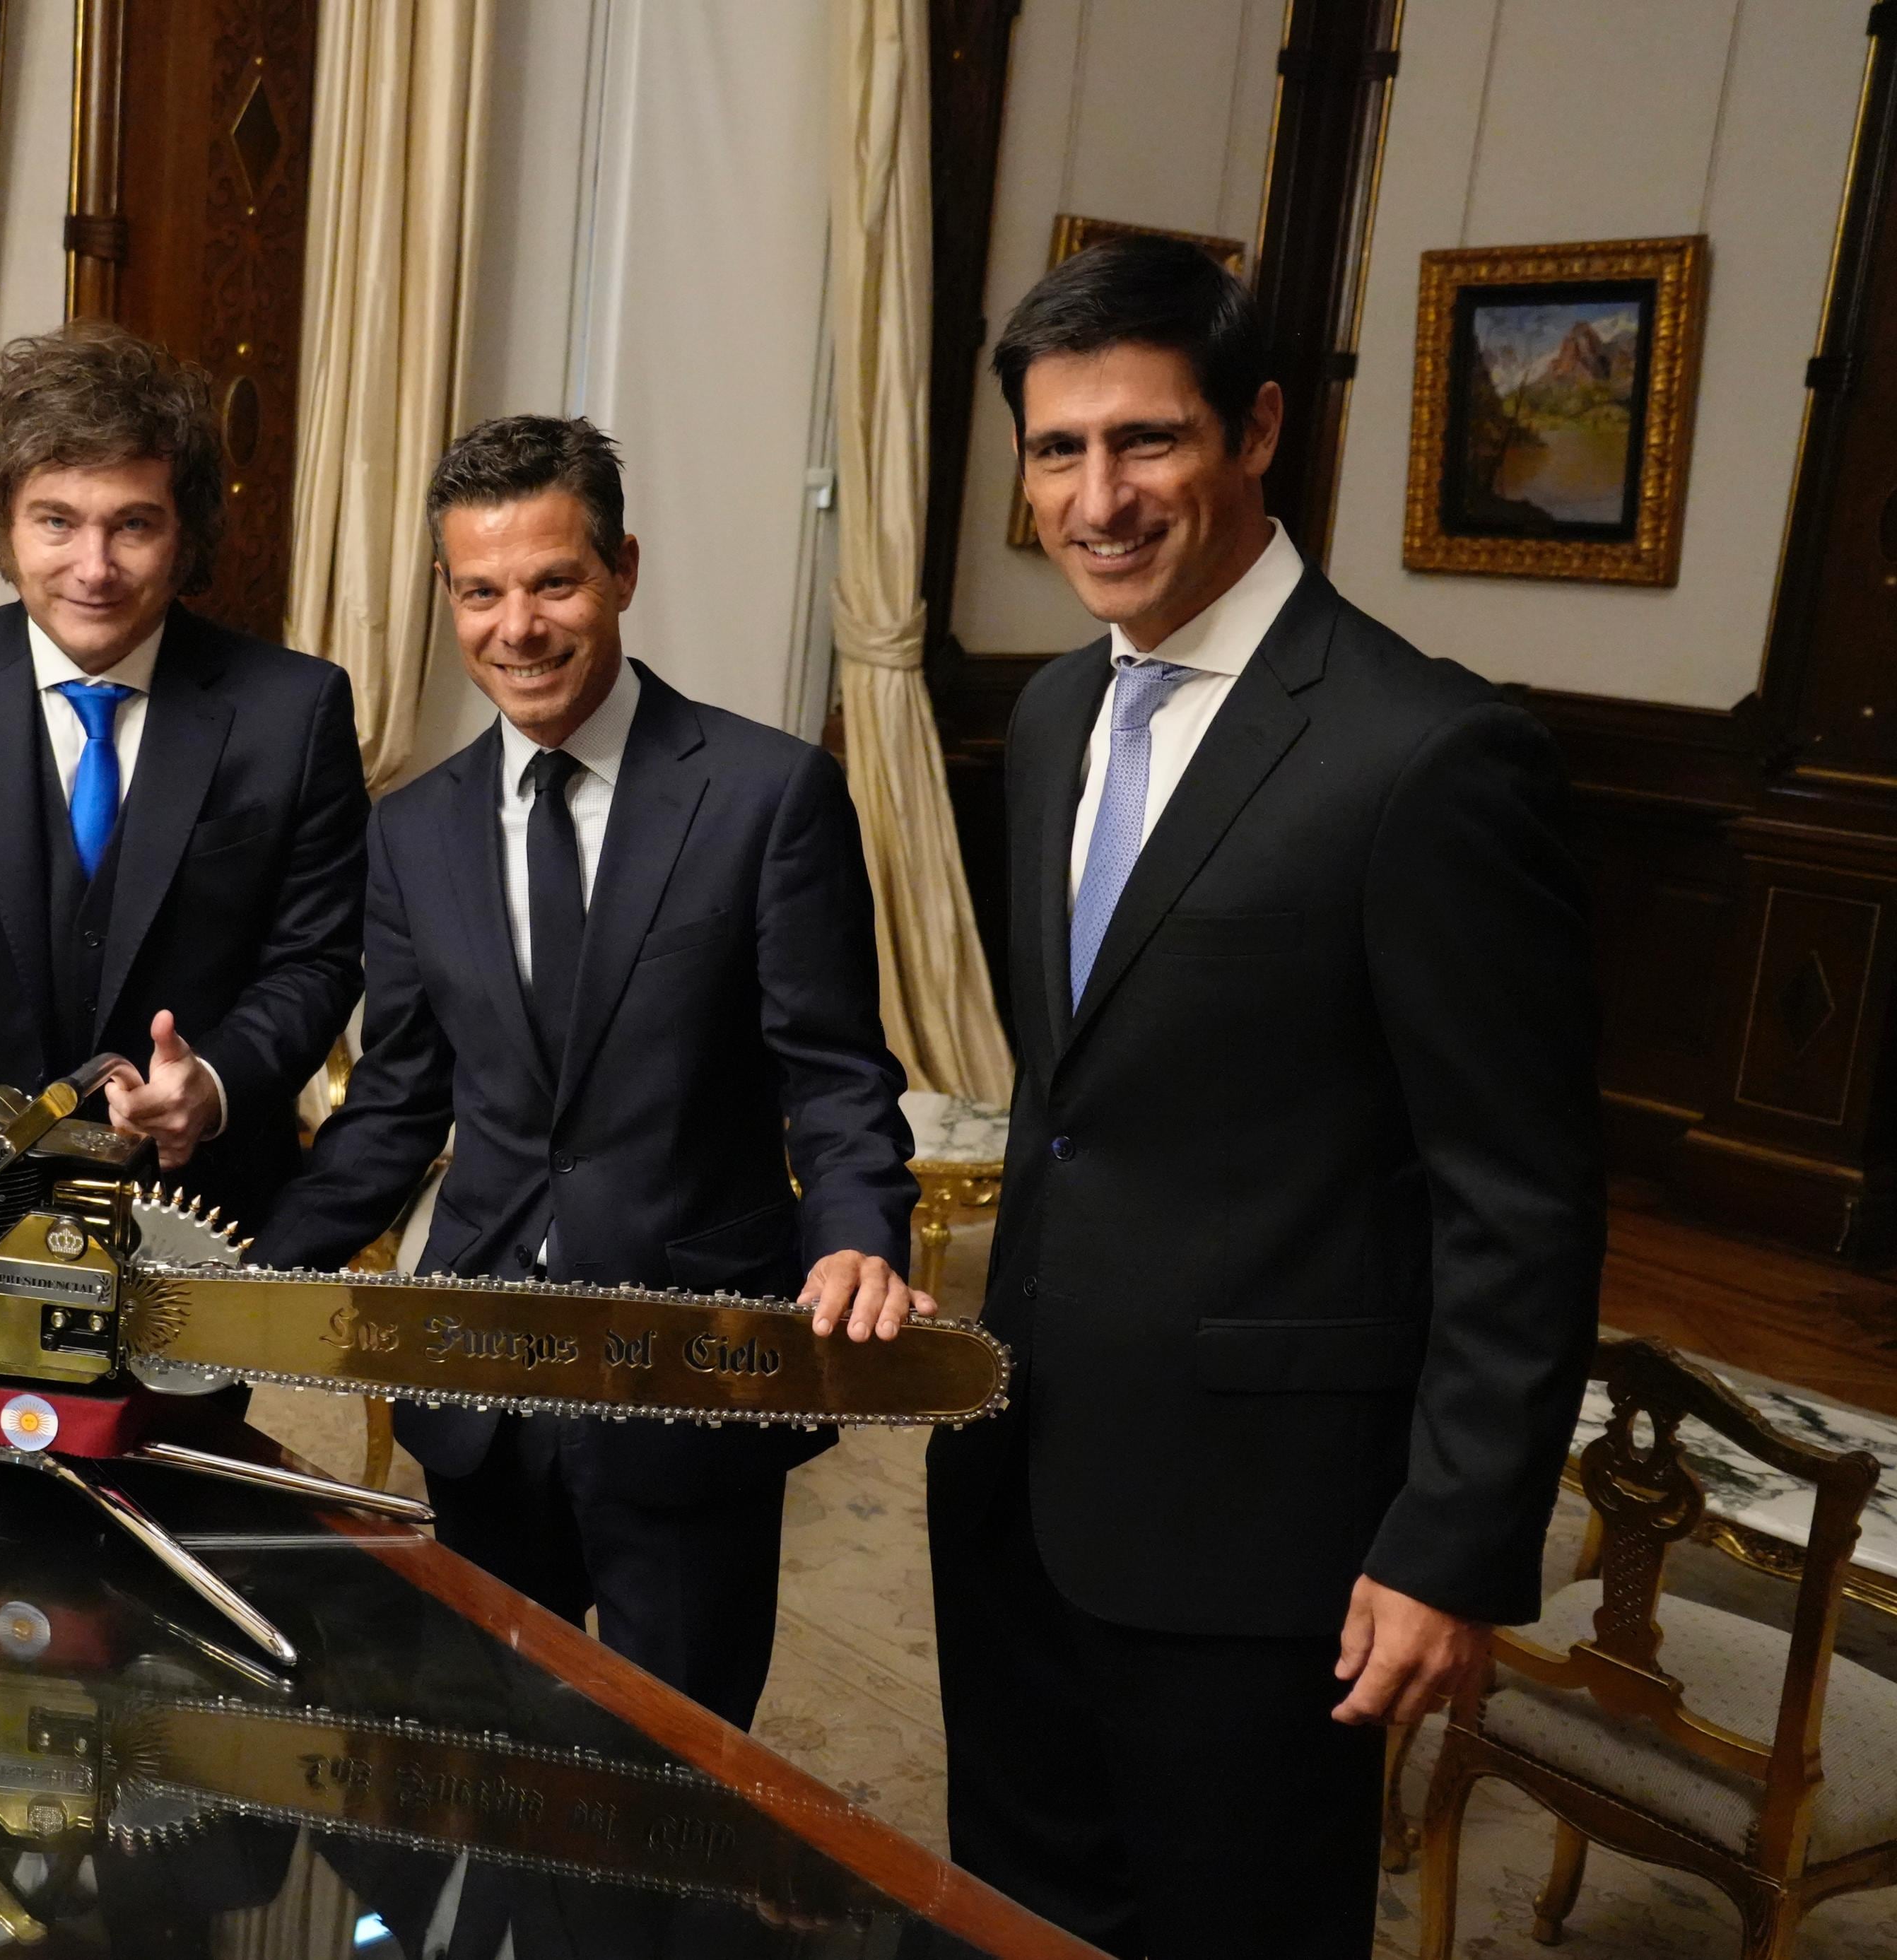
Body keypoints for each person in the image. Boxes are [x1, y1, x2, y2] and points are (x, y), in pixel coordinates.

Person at [924, 235, 1602, 1959]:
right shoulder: (1058, 713)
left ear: (1257, 433)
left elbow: (1515, 1195)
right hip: (1018, 1475)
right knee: (1016, 1914)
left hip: (1262, 1545)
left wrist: (1451, 1541)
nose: (1099, 497)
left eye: (1145, 440)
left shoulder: (1423, 754)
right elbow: (1074, 1106)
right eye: (1059, 449)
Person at [253, 415, 921, 1730]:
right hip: (481, 1383)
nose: (520, 627)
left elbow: (835, 1075)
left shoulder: (767, 794)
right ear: (450, 597)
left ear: (621, 567)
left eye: (554, 581)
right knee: (493, 1738)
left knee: (681, 1772)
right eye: (482, 591)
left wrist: (859, 1232)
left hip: (689, 1370)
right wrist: (243, 1268)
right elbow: (399, 1103)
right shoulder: (413, 829)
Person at [0, 324, 367, 1235]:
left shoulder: (293, 711)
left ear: (184, 535)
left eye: (132, 524)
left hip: (194, 1214)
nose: (92, 569)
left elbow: (315, 959)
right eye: (56, 520)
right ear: (4, 524)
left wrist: (217, 1081)